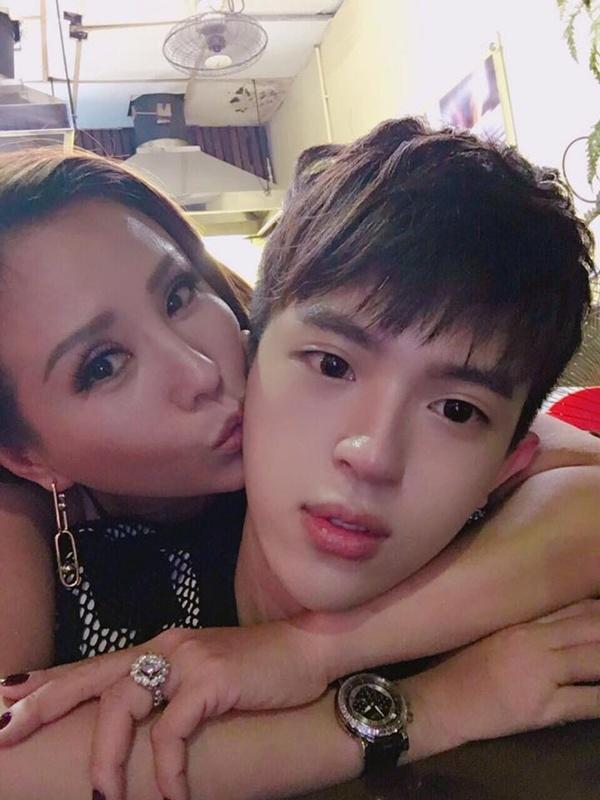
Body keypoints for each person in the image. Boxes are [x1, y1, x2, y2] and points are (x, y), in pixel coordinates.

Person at [0, 121, 599, 800]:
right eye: (102, 365)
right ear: (26, 458)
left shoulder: (324, 370)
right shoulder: (52, 542)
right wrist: (432, 708)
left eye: (178, 296)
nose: (202, 371)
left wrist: (312, 648)